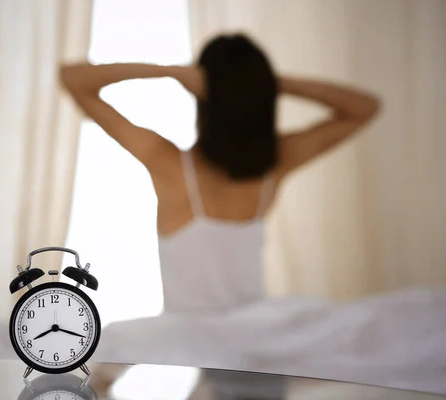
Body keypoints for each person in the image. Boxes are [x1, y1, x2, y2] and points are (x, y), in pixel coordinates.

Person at [60, 33, 446, 396]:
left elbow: (74, 79)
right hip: (259, 337)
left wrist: (174, 72)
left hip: (201, 334)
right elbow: (363, 107)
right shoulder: (274, 164)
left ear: (205, 97)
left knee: (93, 364)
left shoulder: (171, 164)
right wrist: (269, 85)